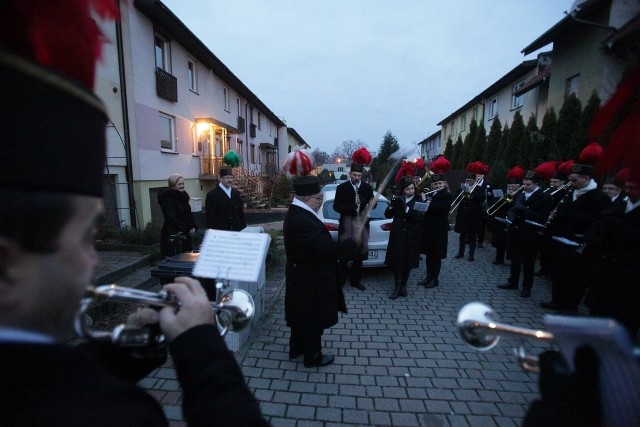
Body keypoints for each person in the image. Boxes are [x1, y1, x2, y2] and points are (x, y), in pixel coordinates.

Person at [0, 4, 268, 425]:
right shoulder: (115, 415)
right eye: (88, 235)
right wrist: (202, 351)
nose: (94, 261)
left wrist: (132, 348)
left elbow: (52, 372)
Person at [283, 173, 353, 368]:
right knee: (312, 317)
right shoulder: (302, 219)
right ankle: (313, 356)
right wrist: (347, 244)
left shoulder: (300, 212)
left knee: (301, 316)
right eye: (318, 198)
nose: (321, 201)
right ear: (305, 199)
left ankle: (297, 348)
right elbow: (325, 250)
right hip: (309, 278)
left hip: (303, 275)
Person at [540, 144, 611, 311]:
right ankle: (556, 300)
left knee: (575, 277)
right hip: (562, 239)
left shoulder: (599, 197)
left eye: (574, 180)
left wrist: (566, 211)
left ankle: (570, 306)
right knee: (558, 272)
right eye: (570, 180)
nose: (571, 184)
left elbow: (592, 221)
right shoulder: (570, 192)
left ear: (586, 179)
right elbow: (562, 214)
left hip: (580, 243)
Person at [497, 167, 553, 298]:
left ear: (536, 184)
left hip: (530, 234)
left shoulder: (544, 197)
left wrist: (525, 211)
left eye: (529, 185)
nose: (525, 186)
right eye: (524, 184)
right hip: (516, 231)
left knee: (528, 262)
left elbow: (542, 216)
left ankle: (527, 287)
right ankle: (513, 282)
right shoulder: (521, 194)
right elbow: (514, 209)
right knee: (515, 259)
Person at [333, 148, 374, 291]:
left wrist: (365, 204)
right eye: (354, 175)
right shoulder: (342, 188)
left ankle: (356, 280)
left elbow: (372, 206)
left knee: (359, 254)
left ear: (362, 175)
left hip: (362, 224)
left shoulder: (367, 188)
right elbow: (336, 207)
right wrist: (351, 207)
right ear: (349, 174)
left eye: (359, 175)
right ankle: (341, 280)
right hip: (346, 223)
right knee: (343, 254)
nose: (356, 177)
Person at [385, 171, 424, 299]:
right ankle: (397, 287)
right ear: (403, 190)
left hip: (411, 235)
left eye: (412, 188)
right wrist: (391, 205)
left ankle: (404, 286)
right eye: (408, 189)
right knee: (398, 261)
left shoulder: (418, 200)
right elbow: (388, 215)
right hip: (398, 234)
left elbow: (418, 217)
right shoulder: (398, 199)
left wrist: (407, 209)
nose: (410, 191)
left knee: (407, 261)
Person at [417, 158, 453, 289]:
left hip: (439, 230)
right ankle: (428, 276)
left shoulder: (447, 196)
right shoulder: (431, 194)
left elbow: (438, 209)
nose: (438, 186)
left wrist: (427, 201)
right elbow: (425, 211)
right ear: (432, 185)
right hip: (429, 228)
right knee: (429, 255)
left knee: (436, 256)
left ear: (444, 184)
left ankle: (435, 279)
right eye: (436, 184)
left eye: (440, 184)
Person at [536, 160, 572, 277]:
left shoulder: (566, 192)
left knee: (553, 248)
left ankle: (551, 271)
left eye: (555, 182)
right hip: (547, 221)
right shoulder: (549, 191)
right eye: (551, 181)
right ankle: (543, 268)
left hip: (558, 224)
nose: (553, 184)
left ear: (563, 182)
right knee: (544, 247)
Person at [488, 166, 525, 265]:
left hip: (514, 221)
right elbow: (495, 205)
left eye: (514, 187)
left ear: (518, 186)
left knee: (511, 242)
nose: (511, 188)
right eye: (509, 187)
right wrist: (500, 199)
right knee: (500, 241)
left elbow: (518, 207)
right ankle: (499, 258)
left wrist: (512, 198)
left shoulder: (521, 195)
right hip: (502, 219)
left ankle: (511, 259)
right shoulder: (504, 193)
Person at [205, 151, 247, 231]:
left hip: (236, 233)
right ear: (220, 179)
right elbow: (211, 219)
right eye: (227, 178)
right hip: (222, 235)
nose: (230, 180)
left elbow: (240, 214)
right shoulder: (212, 195)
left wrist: (243, 229)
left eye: (231, 178)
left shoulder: (236, 193)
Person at [453, 162, 486, 261]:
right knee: (462, 235)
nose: (468, 182)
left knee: (472, 236)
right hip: (463, 214)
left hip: (474, 215)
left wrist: (472, 193)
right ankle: (460, 252)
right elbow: (456, 199)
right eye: (466, 180)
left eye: (470, 181)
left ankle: (471, 254)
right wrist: (463, 192)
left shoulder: (479, 188)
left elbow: (481, 198)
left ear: (474, 180)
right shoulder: (462, 187)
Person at [158, 173, 197, 256]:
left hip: (185, 234)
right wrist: (187, 230)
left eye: (183, 183)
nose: (182, 186)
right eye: (179, 184)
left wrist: (193, 227)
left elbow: (188, 214)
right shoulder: (167, 198)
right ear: (172, 185)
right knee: (176, 260)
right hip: (173, 234)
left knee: (186, 258)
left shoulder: (183, 196)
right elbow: (172, 218)